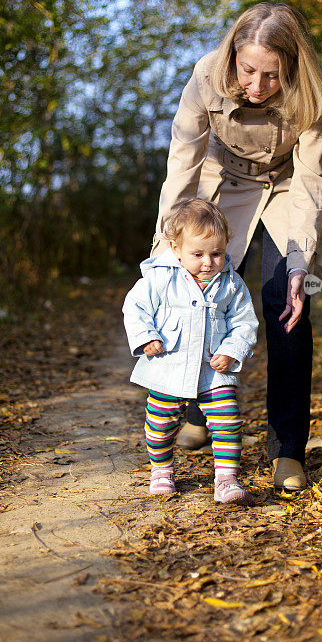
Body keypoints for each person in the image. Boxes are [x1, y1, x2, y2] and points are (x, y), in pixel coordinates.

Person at [150, 2, 322, 491]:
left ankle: (288, 450)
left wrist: (300, 264)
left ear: (291, 69)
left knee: (288, 304)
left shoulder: (313, 100)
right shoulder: (206, 78)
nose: (255, 86)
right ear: (232, 54)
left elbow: (313, 182)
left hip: (285, 191)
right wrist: (164, 244)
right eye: (247, 69)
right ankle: (198, 411)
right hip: (220, 186)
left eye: (271, 75)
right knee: (201, 297)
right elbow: (182, 161)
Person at [123, 198, 258, 503]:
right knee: (160, 424)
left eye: (217, 253)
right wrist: (146, 337)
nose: (208, 262)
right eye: (197, 254)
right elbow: (135, 308)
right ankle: (161, 470)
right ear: (176, 249)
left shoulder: (231, 285)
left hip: (212, 372)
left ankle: (226, 479)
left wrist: (232, 350)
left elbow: (244, 321)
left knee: (227, 421)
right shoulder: (160, 278)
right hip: (168, 367)